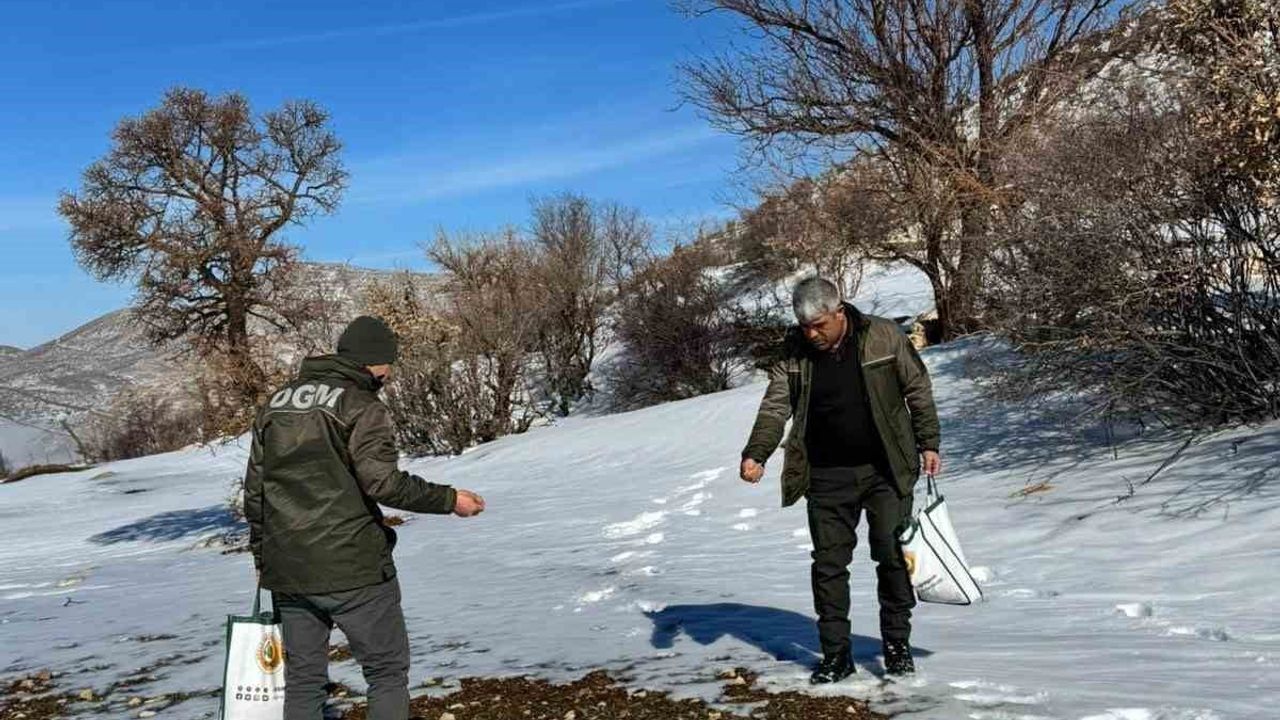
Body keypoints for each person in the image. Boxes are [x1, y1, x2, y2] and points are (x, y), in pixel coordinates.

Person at [243, 315, 486, 720]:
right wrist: (449, 500)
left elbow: (256, 492)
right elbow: (383, 483)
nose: (389, 372)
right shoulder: (360, 404)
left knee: (304, 680)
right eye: (389, 362)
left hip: (288, 566)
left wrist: (262, 557)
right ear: (374, 361)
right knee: (386, 671)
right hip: (352, 566)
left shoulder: (277, 402)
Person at [740, 277, 941, 683]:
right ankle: (836, 655)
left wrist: (928, 442)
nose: (812, 333)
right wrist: (756, 452)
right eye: (804, 326)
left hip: (886, 469)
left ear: (839, 311)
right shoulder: (794, 353)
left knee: (891, 558)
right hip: (826, 476)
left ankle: (897, 646)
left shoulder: (883, 336)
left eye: (819, 324)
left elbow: (917, 388)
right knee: (829, 566)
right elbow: (775, 406)